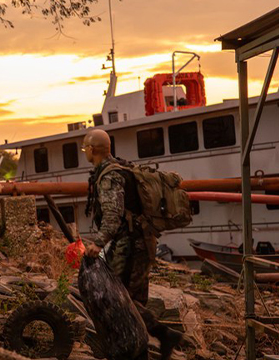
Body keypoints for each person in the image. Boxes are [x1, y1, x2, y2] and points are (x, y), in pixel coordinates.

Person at [83, 129, 182, 360]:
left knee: (121, 299)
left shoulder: (109, 176)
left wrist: (98, 243)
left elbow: (113, 213)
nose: (85, 152)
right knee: (135, 300)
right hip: (142, 241)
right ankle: (142, 351)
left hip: (129, 246)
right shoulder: (122, 167)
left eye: (85, 148)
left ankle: (163, 334)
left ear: (92, 149)